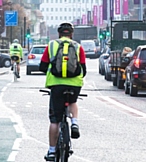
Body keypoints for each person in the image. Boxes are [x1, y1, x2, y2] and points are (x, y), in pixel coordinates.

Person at [39, 22, 87, 161]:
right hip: (74, 84)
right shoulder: (78, 47)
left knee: (55, 120)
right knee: (73, 101)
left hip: (56, 85)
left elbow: (42, 66)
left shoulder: (52, 45)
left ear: (59, 34)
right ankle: (74, 123)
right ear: (71, 34)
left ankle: (52, 151)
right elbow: (83, 70)